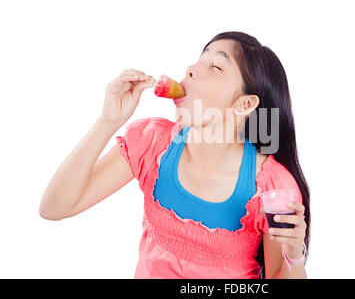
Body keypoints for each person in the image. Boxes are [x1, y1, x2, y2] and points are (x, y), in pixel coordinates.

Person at [39, 31, 311, 279]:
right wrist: (108, 121)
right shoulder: (152, 144)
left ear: (245, 104)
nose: (191, 70)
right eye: (198, 60)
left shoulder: (273, 189)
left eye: (216, 66)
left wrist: (294, 254)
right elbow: (54, 208)